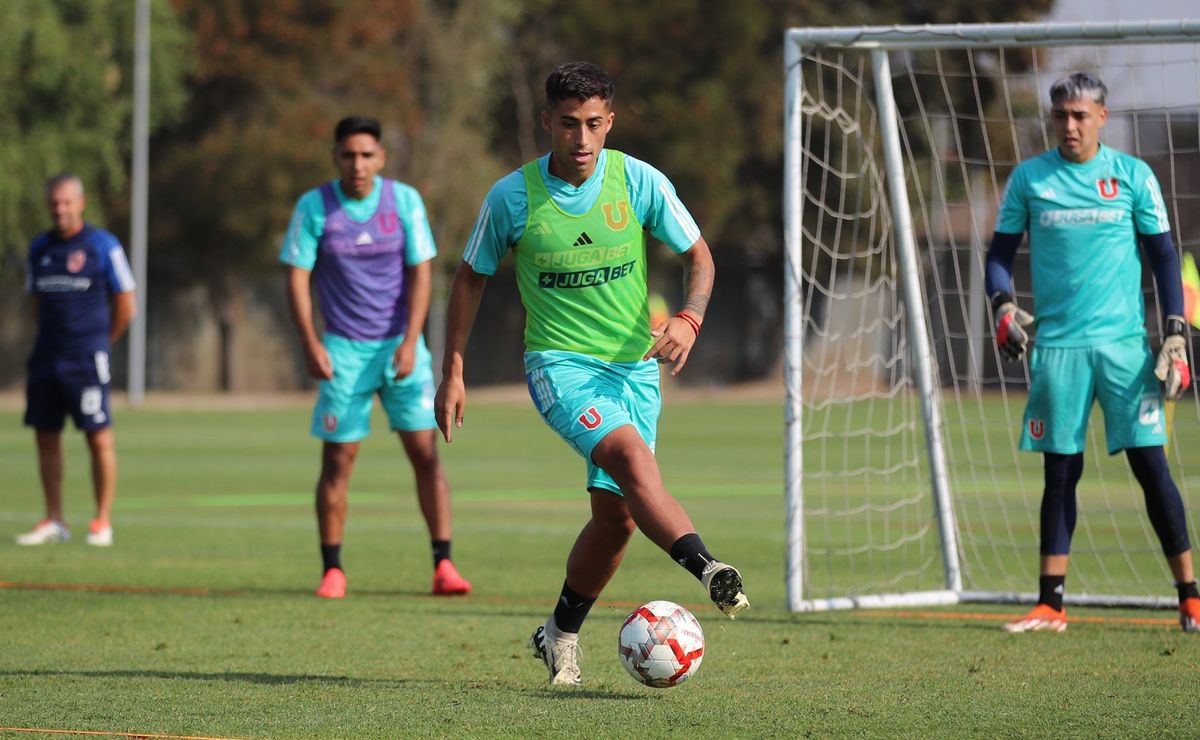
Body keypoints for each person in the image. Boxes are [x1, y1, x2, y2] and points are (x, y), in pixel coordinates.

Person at [435, 61, 749, 686]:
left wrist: (689, 316)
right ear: (547, 121)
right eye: (569, 124)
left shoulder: (636, 181)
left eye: (594, 125)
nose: (581, 139)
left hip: (635, 369)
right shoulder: (512, 197)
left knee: (618, 518)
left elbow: (699, 256)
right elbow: (470, 277)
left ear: (610, 122)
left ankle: (558, 634)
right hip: (560, 366)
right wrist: (454, 370)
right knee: (631, 459)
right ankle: (708, 567)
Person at [986, 72, 1195, 633]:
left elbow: (1165, 258)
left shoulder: (1133, 176)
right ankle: (1051, 603)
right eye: (1061, 116)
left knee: (1151, 468)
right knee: (1060, 474)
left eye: (1081, 115)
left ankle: (1191, 596)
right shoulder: (1031, 179)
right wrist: (1002, 306)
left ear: (1102, 116)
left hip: (1124, 349)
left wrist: (1174, 331)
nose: (1070, 125)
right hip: (1058, 349)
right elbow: (999, 256)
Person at [281, 115, 472, 599]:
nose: (358, 163)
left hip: (400, 349)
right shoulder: (315, 207)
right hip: (342, 351)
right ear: (336, 158)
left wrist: (411, 342)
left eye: (367, 154)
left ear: (381, 157)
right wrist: (311, 342)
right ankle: (333, 570)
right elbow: (298, 277)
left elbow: (422, 274)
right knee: (338, 461)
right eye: (348, 154)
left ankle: (444, 565)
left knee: (426, 455)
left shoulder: (403, 201)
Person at [17, 174, 136, 547]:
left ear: (81, 203)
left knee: (98, 436)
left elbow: (126, 304)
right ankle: (54, 519)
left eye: (66, 202)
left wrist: (101, 342)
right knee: (45, 436)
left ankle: (102, 520)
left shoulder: (103, 245)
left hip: (86, 358)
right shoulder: (40, 248)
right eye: (54, 202)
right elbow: (35, 301)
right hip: (46, 357)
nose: (60, 209)